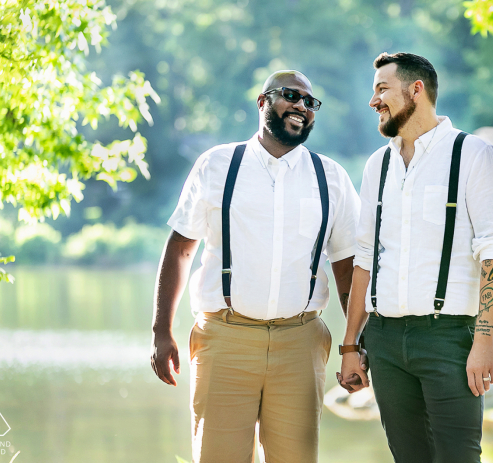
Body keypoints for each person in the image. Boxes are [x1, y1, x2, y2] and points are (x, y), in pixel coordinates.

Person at [151, 70, 360, 463]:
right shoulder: (217, 165)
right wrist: (161, 329)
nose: (300, 105)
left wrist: (355, 345)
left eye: (309, 101)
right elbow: (180, 249)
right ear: (263, 102)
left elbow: (347, 266)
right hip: (225, 339)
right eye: (290, 95)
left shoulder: (331, 177)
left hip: (300, 341)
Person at [338, 52, 493, 462]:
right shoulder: (377, 165)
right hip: (383, 341)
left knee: (457, 456)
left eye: (382, 89)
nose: (373, 101)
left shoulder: (472, 154)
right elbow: (365, 256)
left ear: (416, 90)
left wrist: (484, 339)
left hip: (448, 339)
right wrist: (351, 345)